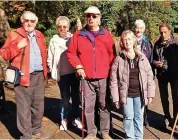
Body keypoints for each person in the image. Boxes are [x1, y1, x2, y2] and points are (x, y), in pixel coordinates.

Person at [66, 6, 115, 139]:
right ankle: (91, 132)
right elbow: (71, 53)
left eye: (94, 16)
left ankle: (105, 132)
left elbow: (112, 56)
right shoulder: (78, 35)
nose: (91, 18)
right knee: (88, 107)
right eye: (88, 16)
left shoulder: (106, 35)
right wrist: (78, 66)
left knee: (104, 106)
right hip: (86, 78)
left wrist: (112, 75)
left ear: (99, 18)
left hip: (104, 76)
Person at [0, 11, 48, 139]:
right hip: (22, 76)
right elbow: (4, 53)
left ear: (36, 23)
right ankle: (26, 135)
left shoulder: (40, 35)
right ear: (22, 21)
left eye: (32, 21)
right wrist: (17, 46)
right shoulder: (15, 35)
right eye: (27, 20)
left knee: (38, 106)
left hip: (39, 76)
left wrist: (46, 72)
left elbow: (43, 54)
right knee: (23, 108)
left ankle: (35, 129)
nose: (29, 23)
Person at [110, 30, 155, 139]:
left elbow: (149, 76)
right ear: (121, 42)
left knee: (139, 117)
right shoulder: (119, 59)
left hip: (140, 94)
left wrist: (150, 94)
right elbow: (113, 80)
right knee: (128, 117)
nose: (127, 42)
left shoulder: (142, 57)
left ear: (134, 40)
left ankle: (139, 137)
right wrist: (116, 98)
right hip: (126, 95)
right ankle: (130, 137)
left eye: (129, 39)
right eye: (124, 40)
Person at [47, 16, 82, 131]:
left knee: (76, 97)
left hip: (74, 72)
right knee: (65, 98)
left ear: (68, 27)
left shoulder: (73, 38)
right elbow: (50, 57)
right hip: (62, 74)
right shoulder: (54, 40)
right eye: (60, 26)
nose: (62, 28)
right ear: (57, 27)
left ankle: (76, 118)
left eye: (64, 26)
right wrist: (51, 70)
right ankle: (64, 119)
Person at [153, 23, 178, 130]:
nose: (163, 34)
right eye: (161, 32)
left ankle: (176, 120)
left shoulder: (176, 43)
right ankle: (167, 117)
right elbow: (153, 59)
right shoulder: (157, 44)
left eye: (165, 32)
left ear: (170, 31)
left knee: (176, 98)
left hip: (174, 75)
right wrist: (156, 63)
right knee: (164, 98)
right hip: (162, 75)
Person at [134, 19, 153, 126]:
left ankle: (144, 117)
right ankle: (136, 117)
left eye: (141, 28)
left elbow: (150, 59)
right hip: (132, 73)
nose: (138, 30)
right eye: (137, 27)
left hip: (144, 73)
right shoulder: (130, 39)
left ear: (144, 29)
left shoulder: (147, 42)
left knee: (144, 95)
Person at [0, 8, 10, 112]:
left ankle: (2, 104)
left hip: (1, 55)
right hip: (2, 56)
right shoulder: (4, 22)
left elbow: (7, 37)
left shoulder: (3, 22)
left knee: (1, 81)